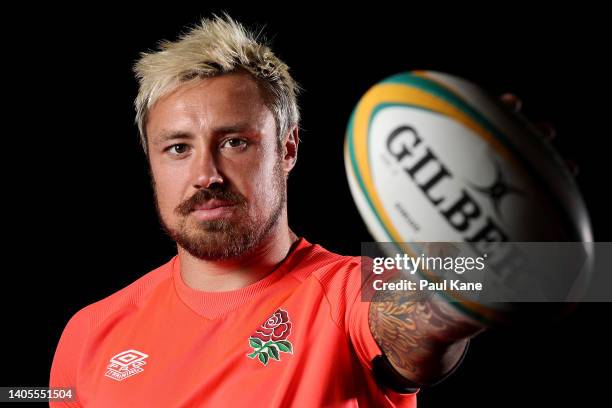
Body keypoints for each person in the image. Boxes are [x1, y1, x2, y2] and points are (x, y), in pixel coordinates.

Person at [49, 15, 484, 407]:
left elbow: (453, 305)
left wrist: (496, 229)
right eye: (178, 148)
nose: (206, 175)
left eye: (235, 142)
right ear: (151, 162)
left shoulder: (349, 292)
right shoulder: (89, 333)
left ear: (288, 147)